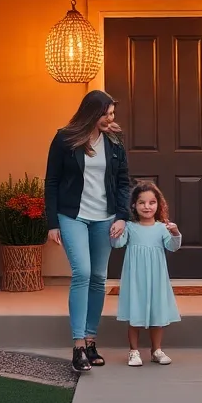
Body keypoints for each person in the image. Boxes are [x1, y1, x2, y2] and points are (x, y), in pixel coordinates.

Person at [46, 90, 132, 375]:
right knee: (82, 272)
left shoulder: (115, 141)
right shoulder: (64, 139)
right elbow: (52, 181)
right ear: (92, 114)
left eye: (112, 114)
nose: (111, 119)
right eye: (106, 114)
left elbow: (123, 182)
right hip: (72, 215)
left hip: (105, 218)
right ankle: (78, 344)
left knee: (98, 277)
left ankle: (92, 340)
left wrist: (122, 216)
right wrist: (52, 223)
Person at [111, 181, 182, 366]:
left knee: (157, 313)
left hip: (156, 278)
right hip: (135, 279)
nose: (147, 206)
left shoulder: (161, 227)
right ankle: (133, 351)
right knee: (135, 311)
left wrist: (175, 232)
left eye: (152, 202)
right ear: (134, 205)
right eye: (142, 202)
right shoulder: (130, 226)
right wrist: (115, 232)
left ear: (158, 204)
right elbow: (117, 244)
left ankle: (156, 350)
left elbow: (173, 247)